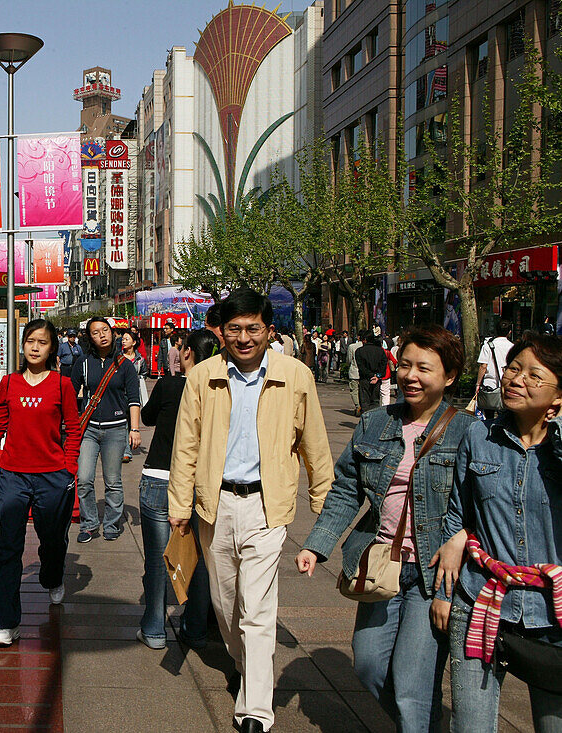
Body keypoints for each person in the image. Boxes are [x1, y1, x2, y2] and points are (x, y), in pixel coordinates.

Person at [169, 289, 334, 733]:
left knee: (257, 609)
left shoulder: (295, 375)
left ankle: (256, 709)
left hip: (268, 505)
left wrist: (324, 503)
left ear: (269, 330)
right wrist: (180, 504)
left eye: (253, 329)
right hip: (214, 504)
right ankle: (247, 665)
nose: (244, 338)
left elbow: (314, 440)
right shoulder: (203, 376)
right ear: (221, 332)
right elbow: (185, 445)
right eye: (235, 329)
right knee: (225, 605)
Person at [296, 326, 474, 731]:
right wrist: (316, 545)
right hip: (381, 564)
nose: (410, 375)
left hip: (434, 574)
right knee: (370, 666)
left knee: (412, 685)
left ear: (449, 376)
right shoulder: (375, 423)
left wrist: (461, 538)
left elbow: (481, 503)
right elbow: (345, 490)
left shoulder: (469, 431)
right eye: (405, 365)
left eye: (423, 368)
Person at [430, 333, 562, 732]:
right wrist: (443, 594)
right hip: (482, 600)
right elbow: (457, 514)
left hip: (553, 613)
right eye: (513, 369)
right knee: (470, 725)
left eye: (534, 375)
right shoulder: (479, 437)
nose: (516, 379)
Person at [0, 320, 81, 647]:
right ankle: (5, 620)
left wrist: (69, 469)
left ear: (52, 348)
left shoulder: (62, 385)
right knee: (7, 548)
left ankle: (53, 575)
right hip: (13, 476)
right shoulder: (9, 383)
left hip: (52, 477)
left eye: (42, 342)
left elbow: (73, 430)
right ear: (22, 345)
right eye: (30, 341)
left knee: (52, 540)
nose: (35, 347)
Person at [138, 329, 219, 650]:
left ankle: (155, 630)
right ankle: (195, 628)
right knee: (198, 558)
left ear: (186, 353)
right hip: (200, 484)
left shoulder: (170, 385)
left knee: (159, 560)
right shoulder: (219, 391)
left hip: (159, 477)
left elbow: (147, 416)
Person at [71, 317, 141, 542]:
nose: (102, 335)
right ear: (89, 337)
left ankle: (111, 523)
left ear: (112, 333)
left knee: (113, 481)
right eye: (95, 332)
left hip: (116, 429)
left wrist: (135, 429)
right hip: (89, 430)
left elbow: (133, 399)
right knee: (84, 478)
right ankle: (90, 524)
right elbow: (70, 395)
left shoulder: (125, 364)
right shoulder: (82, 362)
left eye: (105, 330)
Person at [474, 321, 514, 420]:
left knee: (489, 416)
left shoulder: (488, 345)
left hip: (489, 385)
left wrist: (478, 384)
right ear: (509, 332)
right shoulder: (512, 347)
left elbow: (483, 366)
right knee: (504, 416)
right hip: (506, 386)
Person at [120, 329, 150, 464]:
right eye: (123, 339)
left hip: (134, 394)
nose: (123, 341)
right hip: (120, 394)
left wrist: (137, 380)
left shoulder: (140, 360)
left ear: (134, 342)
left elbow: (144, 373)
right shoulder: (118, 357)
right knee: (123, 422)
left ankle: (127, 448)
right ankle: (124, 450)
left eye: (126, 339)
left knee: (132, 421)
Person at [356, 332, 388, 414]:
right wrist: (377, 376)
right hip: (377, 380)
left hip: (365, 379)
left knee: (365, 402)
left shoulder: (359, 351)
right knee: (375, 401)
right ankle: (374, 422)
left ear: (365, 340)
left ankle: (367, 422)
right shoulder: (380, 351)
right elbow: (383, 365)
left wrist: (371, 375)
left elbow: (361, 367)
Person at [347, 332, 364, 417]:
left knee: (354, 390)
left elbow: (349, 360)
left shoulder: (352, 347)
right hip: (364, 373)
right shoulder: (366, 347)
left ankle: (358, 406)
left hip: (354, 371)